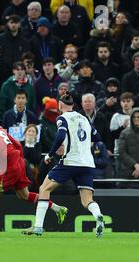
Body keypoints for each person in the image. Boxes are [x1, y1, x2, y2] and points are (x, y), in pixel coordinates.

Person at [0, 107, 67, 233]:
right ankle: (58, 209)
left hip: (9, 165)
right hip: (18, 161)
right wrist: (19, 160)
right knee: (24, 195)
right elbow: (16, 144)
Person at [22, 92, 105, 237]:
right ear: (73, 105)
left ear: (60, 106)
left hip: (70, 162)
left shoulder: (62, 118)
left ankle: (38, 227)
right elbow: (97, 136)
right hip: (87, 163)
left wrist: (50, 154)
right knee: (87, 200)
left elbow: (60, 135)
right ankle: (98, 215)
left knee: (44, 188)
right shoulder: (84, 118)